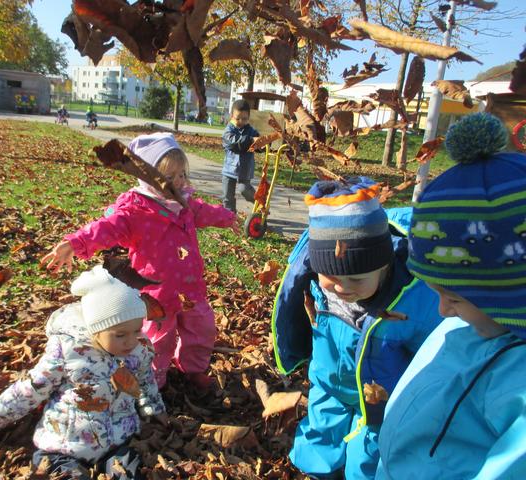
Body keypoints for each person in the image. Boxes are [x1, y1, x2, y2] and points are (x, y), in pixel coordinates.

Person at [376, 113, 526, 479]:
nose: (443, 310)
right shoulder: (472, 325)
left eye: (455, 297)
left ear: (509, 293)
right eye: (437, 292)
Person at [272, 177, 443, 479]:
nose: (342, 288)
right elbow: (295, 310)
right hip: (328, 382)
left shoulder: (410, 299)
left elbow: (431, 349)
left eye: (357, 280)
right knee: (321, 430)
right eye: (331, 277)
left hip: (379, 398)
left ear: (385, 266)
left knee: (368, 454)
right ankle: (317, 472)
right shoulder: (315, 283)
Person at [41, 133, 238, 389]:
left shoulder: (184, 203)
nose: (178, 181)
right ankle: (153, 380)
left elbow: (205, 211)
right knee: (158, 340)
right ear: (148, 179)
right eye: (170, 177)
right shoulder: (135, 211)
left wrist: (228, 218)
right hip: (156, 292)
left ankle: (193, 369)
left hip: (191, 288)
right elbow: (106, 227)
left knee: (201, 330)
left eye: (181, 174)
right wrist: (75, 243)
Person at [0, 266, 167, 480]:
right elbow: (32, 388)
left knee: (129, 473)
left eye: (137, 330)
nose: (130, 340)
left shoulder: (139, 349)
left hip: (118, 439)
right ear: (96, 330)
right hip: (66, 443)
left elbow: (145, 380)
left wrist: (153, 408)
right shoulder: (69, 351)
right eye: (120, 335)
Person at [221, 99, 260, 213]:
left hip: (244, 169)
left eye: (244, 119)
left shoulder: (251, 131)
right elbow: (233, 143)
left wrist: (262, 144)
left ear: (248, 117)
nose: (241, 121)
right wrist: (250, 140)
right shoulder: (228, 130)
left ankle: (259, 203)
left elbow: (258, 142)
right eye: (238, 118)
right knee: (227, 196)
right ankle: (229, 216)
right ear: (232, 116)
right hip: (229, 169)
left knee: (244, 189)